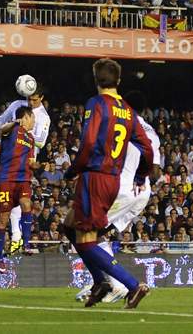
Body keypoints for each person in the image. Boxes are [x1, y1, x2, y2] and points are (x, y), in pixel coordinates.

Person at [63, 58, 154, 309]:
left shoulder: (97, 103)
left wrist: (74, 169)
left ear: (95, 80)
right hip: (113, 179)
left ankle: (132, 285)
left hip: (95, 176)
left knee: (87, 240)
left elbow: (89, 141)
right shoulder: (127, 110)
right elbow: (147, 148)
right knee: (70, 226)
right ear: (119, 81)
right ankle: (99, 282)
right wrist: (141, 175)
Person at [76, 115, 160, 303]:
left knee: (88, 234)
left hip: (122, 188)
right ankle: (104, 283)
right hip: (143, 192)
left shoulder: (119, 122)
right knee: (98, 235)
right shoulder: (151, 132)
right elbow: (155, 171)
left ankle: (116, 285)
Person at [0, 78, 51, 255]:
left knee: (23, 201)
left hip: (26, 159)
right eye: (29, 99)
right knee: (11, 203)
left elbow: (40, 142)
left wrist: (25, 132)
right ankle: (16, 237)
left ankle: (18, 237)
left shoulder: (43, 117)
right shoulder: (18, 104)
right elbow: (2, 120)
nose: (31, 103)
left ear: (41, 97)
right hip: (8, 155)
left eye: (34, 100)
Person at [0, 106, 37, 273]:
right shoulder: (12, 129)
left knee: (27, 204)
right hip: (6, 178)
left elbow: (32, 162)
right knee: (3, 219)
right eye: (32, 118)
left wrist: (40, 165)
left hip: (23, 178)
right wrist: (14, 123)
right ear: (26, 117)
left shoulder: (31, 139)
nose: (34, 121)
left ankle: (26, 243)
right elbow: (0, 130)